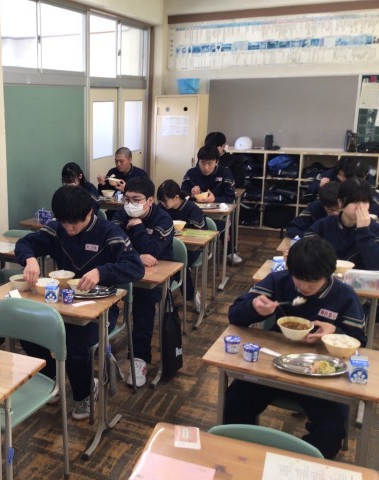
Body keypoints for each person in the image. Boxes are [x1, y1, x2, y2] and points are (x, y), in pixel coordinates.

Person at [224, 236, 366, 459]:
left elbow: (359, 342)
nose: (303, 286)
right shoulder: (279, 281)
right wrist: (253, 307)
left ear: (328, 274)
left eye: (312, 281)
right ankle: (244, 458)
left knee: (330, 431)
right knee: (234, 403)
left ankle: (297, 463)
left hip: (321, 377)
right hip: (273, 367)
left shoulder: (344, 295)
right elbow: (235, 315)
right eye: (298, 278)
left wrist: (334, 332)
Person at [15, 185, 144, 419]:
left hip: (101, 308)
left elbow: (135, 268)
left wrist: (102, 272)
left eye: (74, 223)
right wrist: (30, 259)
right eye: (64, 222)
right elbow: (24, 244)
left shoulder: (109, 232)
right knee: (28, 332)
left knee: (75, 343)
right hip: (63, 303)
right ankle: (52, 381)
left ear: (89, 214)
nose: (69, 228)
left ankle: (85, 393)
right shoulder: (58, 229)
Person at [111, 177, 173, 387]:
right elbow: (112, 245)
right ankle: (104, 342)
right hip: (126, 270)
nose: (130, 204)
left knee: (143, 304)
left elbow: (153, 252)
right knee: (102, 293)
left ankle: (139, 359)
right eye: (127, 199)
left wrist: (137, 227)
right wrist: (137, 257)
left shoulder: (163, 219)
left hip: (157, 276)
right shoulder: (120, 216)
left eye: (136, 200)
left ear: (150, 201)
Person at [182, 145, 240, 264]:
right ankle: (192, 251)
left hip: (219, 212)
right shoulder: (191, 173)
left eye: (210, 163)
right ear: (198, 161)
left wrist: (215, 199)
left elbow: (230, 198)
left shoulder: (225, 173)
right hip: (195, 212)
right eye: (202, 163)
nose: (206, 167)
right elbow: (182, 196)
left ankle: (230, 251)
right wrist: (191, 194)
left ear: (217, 162)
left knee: (227, 221)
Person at [304, 178, 379, 271]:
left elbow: (376, 267)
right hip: (326, 276)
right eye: (355, 202)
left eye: (365, 202)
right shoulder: (322, 225)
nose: (360, 207)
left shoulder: (375, 229)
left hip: (361, 279)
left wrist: (364, 231)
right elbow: (305, 256)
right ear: (340, 202)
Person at [157, 179, 206, 312]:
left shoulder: (191, 208)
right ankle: (165, 296)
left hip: (192, 249)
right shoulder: (161, 208)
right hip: (169, 246)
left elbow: (202, 233)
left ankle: (188, 295)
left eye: (164, 201)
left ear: (176, 198)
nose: (161, 204)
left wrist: (183, 233)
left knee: (178, 263)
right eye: (160, 201)